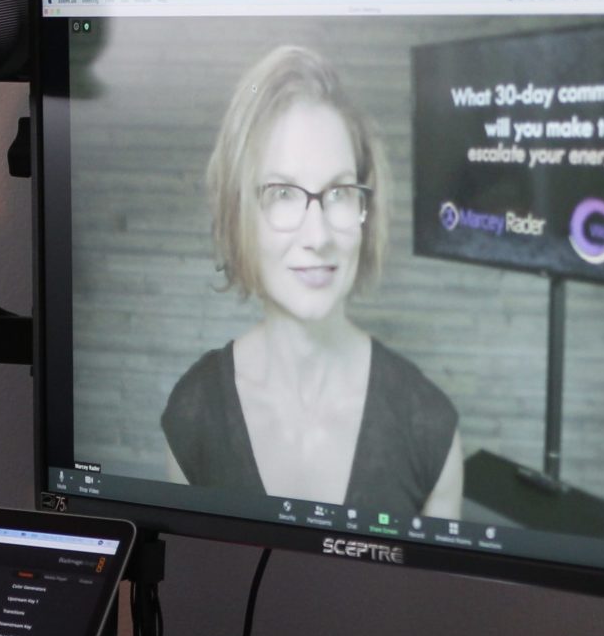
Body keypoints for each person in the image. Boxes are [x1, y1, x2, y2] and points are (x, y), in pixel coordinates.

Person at [161, 45, 464, 519]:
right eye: (282, 193)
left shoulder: (430, 425)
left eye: (340, 192)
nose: (319, 235)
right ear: (238, 209)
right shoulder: (194, 412)